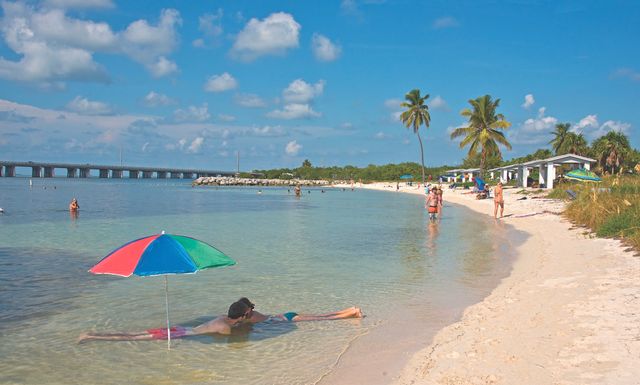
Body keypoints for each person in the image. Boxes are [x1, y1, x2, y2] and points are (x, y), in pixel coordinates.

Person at [78, 301, 252, 342]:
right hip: (182, 334)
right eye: (246, 313)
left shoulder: (222, 318)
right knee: (131, 338)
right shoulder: (224, 328)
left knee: (134, 335)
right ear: (242, 316)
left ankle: (92, 334)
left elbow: (233, 322)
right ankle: (91, 336)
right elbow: (225, 339)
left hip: (180, 329)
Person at [237, 297, 363, 323]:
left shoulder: (250, 317)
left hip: (287, 318)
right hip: (286, 314)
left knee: (325, 318)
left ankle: (353, 313)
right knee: (322, 315)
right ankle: (350, 309)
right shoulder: (253, 313)